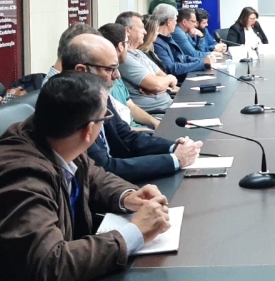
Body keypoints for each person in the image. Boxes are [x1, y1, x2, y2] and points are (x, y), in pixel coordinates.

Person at [0, 72, 172, 280]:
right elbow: (50, 265)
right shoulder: (18, 175)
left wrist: (127, 196)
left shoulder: (52, 135)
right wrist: (135, 232)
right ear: (89, 130)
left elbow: (92, 174)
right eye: (104, 118)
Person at [65, 33, 201, 182]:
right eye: (110, 69)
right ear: (81, 71)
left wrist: (173, 147)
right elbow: (104, 167)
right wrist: (174, 160)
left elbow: (125, 135)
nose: (117, 76)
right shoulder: (69, 109)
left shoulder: (97, 93)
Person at [97, 23, 162, 131]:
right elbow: (120, 131)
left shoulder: (116, 72)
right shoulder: (102, 80)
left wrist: (155, 123)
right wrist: (151, 131)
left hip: (139, 129)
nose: (117, 75)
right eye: (127, 42)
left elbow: (130, 106)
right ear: (120, 46)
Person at [115, 11, 177, 114]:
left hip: (169, 105)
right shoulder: (125, 58)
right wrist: (162, 82)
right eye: (141, 27)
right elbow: (157, 84)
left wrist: (165, 81)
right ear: (128, 31)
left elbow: (166, 80)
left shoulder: (140, 53)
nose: (145, 32)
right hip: (157, 113)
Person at [153, 3, 210, 79]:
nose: (176, 23)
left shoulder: (168, 37)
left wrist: (202, 60)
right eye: (175, 20)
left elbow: (181, 57)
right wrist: (202, 63)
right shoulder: (157, 42)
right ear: (169, 22)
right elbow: (171, 68)